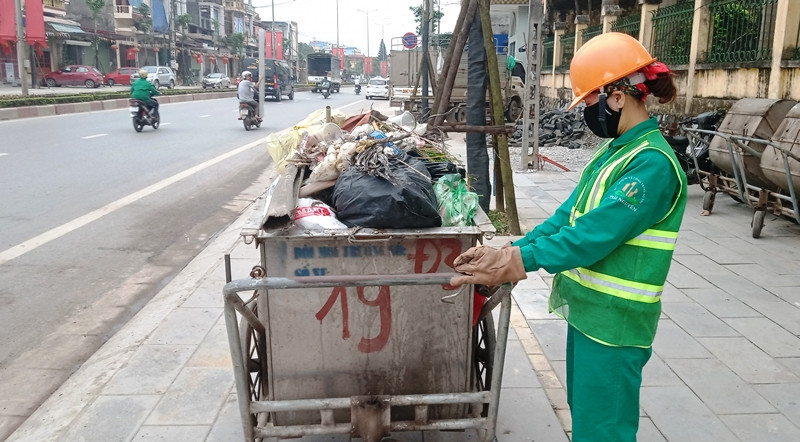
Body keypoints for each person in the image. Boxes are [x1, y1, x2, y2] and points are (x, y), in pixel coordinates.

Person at [450, 32, 688, 442]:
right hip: (590, 314)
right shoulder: (616, 152)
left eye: (590, 102)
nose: (587, 114)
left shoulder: (652, 165)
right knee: (588, 421)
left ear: (618, 97)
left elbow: (593, 236)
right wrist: (510, 251)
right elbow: (567, 219)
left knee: (603, 431)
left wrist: (517, 263)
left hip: (615, 324)